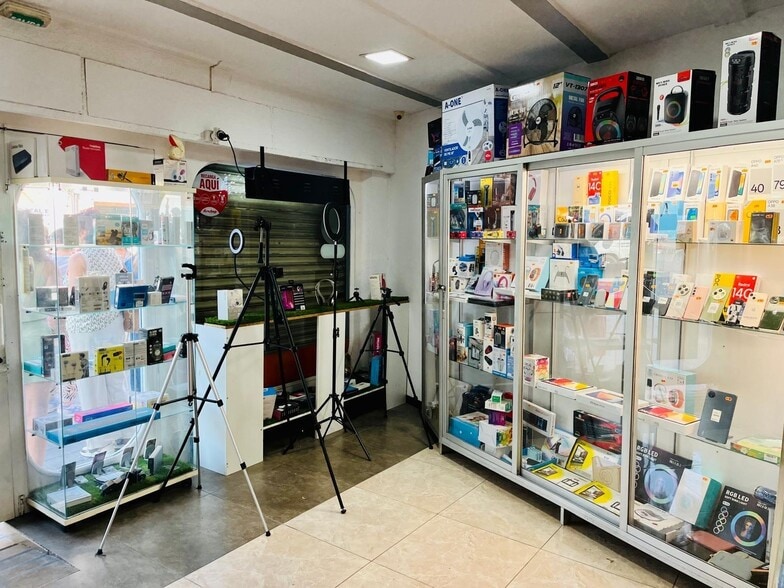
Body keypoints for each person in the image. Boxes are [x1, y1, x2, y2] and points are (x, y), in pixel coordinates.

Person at [66, 216, 132, 455]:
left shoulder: (78, 258)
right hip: (112, 324)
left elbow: (72, 297)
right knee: (115, 379)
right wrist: (127, 316)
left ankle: (99, 442)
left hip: (85, 328)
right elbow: (124, 289)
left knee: (90, 383)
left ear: (83, 233)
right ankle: (124, 434)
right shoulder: (114, 257)